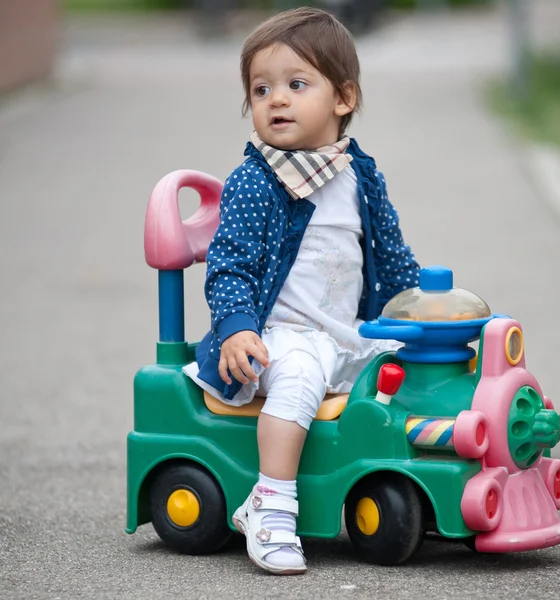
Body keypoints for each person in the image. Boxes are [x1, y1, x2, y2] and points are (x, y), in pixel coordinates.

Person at [184, 7, 420, 575]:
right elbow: (229, 266)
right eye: (261, 89)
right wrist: (238, 326)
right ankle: (270, 504)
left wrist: (422, 311)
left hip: (344, 335)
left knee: (413, 368)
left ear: (342, 98)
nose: (276, 100)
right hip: (274, 338)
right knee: (298, 376)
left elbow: (392, 256)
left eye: (296, 84)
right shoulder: (255, 180)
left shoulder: (359, 175)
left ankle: (408, 485)